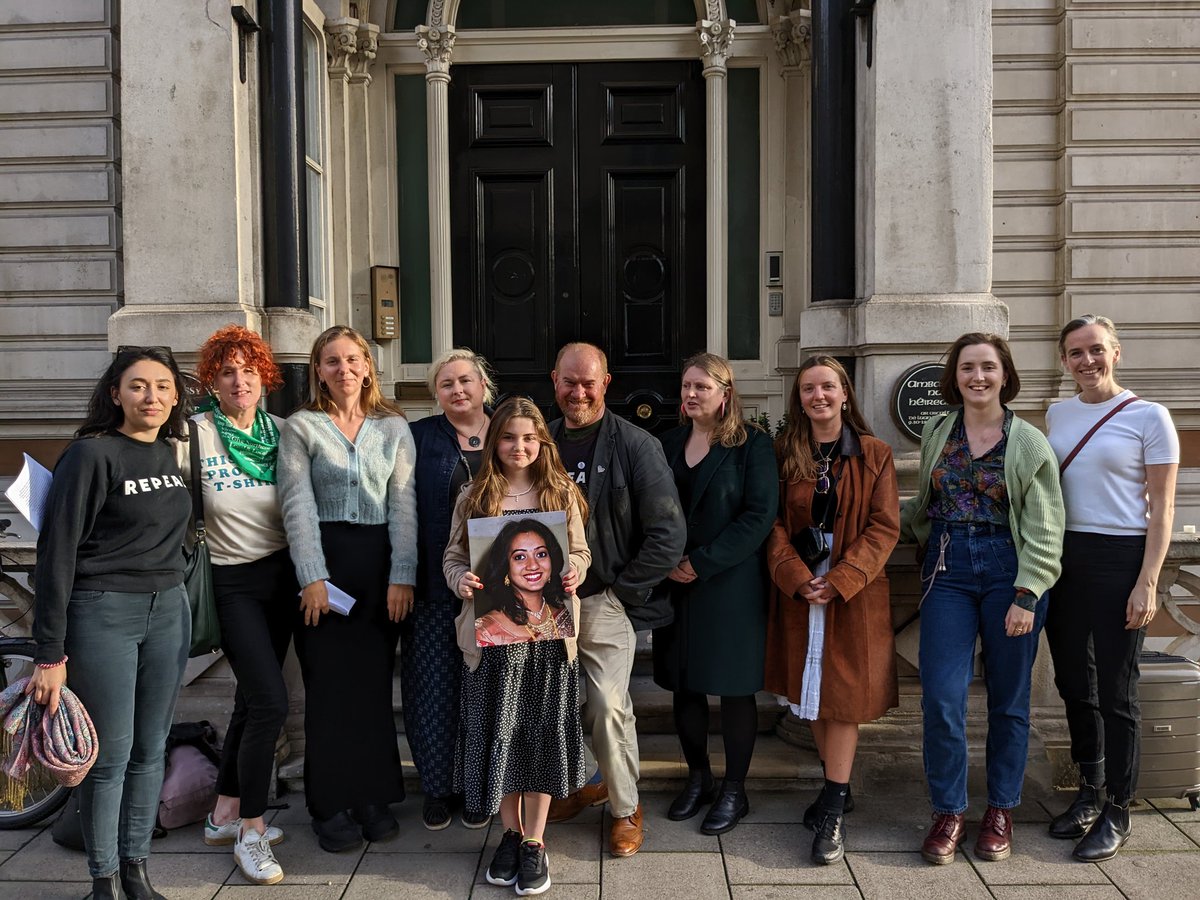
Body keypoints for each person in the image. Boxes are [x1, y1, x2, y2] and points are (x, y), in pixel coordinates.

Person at [28, 346, 192, 900]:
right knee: (111, 756)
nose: (153, 396)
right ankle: (103, 881)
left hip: (168, 609)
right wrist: (49, 654)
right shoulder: (91, 456)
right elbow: (55, 555)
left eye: (163, 386)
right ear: (116, 393)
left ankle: (137, 872)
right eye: (139, 385)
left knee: (152, 748)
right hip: (103, 614)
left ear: (176, 395)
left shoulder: (171, 452)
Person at [900, 333, 1065, 866]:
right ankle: (949, 810)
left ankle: (1000, 809)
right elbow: (923, 503)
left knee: (1009, 701)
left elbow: (1045, 526)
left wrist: (1028, 593)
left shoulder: (1029, 442)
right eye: (967, 367)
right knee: (942, 696)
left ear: (1004, 374)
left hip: (1009, 572)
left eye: (988, 367)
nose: (977, 377)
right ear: (955, 376)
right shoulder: (938, 430)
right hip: (947, 567)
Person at [277, 325, 417, 853]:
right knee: (330, 691)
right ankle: (330, 803)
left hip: (379, 569)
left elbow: (404, 504)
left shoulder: (393, 427)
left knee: (373, 690)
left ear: (367, 367)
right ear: (318, 370)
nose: (343, 369)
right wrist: (311, 576)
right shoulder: (302, 427)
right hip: (325, 572)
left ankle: (373, 796)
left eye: (353, 359)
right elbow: (296, 504)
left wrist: (403, 574)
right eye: (331, 361)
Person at [1044, 315, 1178, 861]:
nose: (1086, 361)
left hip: (1121, 558)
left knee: (1118, 694)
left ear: (1116, 352)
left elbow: (1164, 509)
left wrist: (1148, 582)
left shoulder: (1151, 416)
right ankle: (1088, 791)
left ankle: (1119, 808)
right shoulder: (1057, 413)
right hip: (1064, 557)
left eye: (1096, 350)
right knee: (1076, 684)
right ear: (1064, 361)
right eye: (1075, 353)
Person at [444, 397, 591, 896]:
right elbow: (453, 556)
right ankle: (508, 834)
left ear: (541, 442)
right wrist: (461, 578)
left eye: (529, 437)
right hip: (493, 644)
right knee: (500, 739)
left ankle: (535, 842)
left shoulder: (560, 492)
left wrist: (575, 568)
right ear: (494, 441)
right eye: (509, 437)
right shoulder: (475, 494)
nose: (519, 446)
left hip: (548, 645)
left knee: (541, 738)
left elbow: (580, 550)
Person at [545, 342, 687, 857]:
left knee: (606, 705)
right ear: (553, 380)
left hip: (603, 598)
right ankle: (587, 782)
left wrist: (622, 593)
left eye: (589, 382)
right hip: (543, 605)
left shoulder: (636, 445)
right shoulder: (539, 441)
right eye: (569, 381)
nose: (578, 392)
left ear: (607, 383)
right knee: (548, 705)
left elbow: (668, 534)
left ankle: (625, 808)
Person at [764, 355, 900, 864]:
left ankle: (835, 807)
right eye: (807, 389)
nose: (817, 396)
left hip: (851, 597)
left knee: (842, 697)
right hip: (801, 596)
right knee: (811, 696)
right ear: (798, 399)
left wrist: (839, 579)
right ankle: (833, 787)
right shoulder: (785, 454)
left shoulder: (875, 454)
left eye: (827, 387)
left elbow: (885, 527)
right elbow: (772, 524)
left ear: (845, 392)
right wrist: (798, 578)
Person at [183, 326, 291, 884]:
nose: (239, 379)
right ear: (212, 380)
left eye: (249, 369)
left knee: (252, 702)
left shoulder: (280, 432)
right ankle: (251, 831)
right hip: (229, 582)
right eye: (227, 370)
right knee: (271, 702)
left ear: (264, 375)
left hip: (281, 579)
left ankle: (223, 814)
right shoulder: (195, 434)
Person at [653, 353, 778, 836]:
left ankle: (735, 789)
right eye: (686, 386)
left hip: (729, 586)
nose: (690, 394)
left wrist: (699, 563)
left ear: (726, 393)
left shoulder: (753, 446)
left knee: (734, 689)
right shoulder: (665, 443)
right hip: (674, 587)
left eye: (702, 387)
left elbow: (758, 516)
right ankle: (699, 777)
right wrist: (667, 564)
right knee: (684, 685)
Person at [406, 348, 497, 830]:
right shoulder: (417, 437)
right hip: (435, 590)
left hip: (502, 592)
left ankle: (482, 787)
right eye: (447, 384)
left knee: (486, 694)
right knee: (433, 691)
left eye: (466, 380)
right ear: (435, 393)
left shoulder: (513, 431)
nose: (458, 390)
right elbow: (402, 512)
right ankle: (438, 788)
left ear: (484, 385)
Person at [474, 518, 576, 646]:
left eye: (541, 554)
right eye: (520, 557)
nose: (533, 565)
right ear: (505, 566)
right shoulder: (485, 631)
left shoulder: (566, 611)